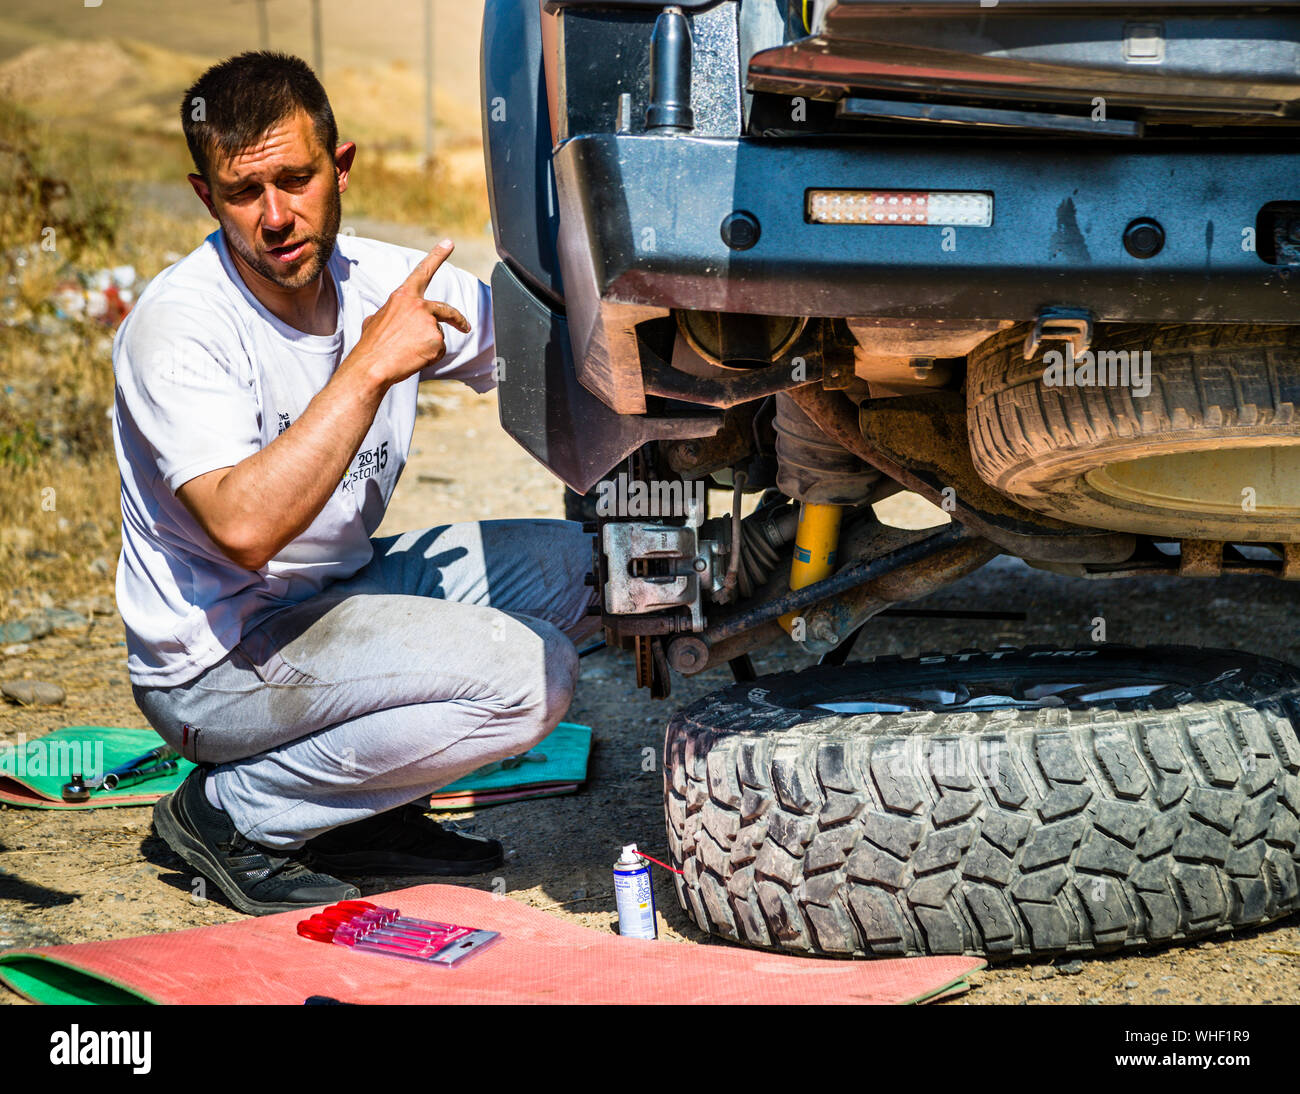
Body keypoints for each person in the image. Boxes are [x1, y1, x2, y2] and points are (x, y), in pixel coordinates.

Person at [112, 51, 598, 916]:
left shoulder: (382, 279)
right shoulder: (179, 326)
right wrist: (371, 364)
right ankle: (232, 813)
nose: (274, 216)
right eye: (242, 193)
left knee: (602, 570)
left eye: (296, 180)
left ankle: (358, 810)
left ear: (341, 168)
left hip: (333, 597)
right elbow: (245, 527)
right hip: (218, 661)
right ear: (205, 197)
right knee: (530, 676)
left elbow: (558, 364)